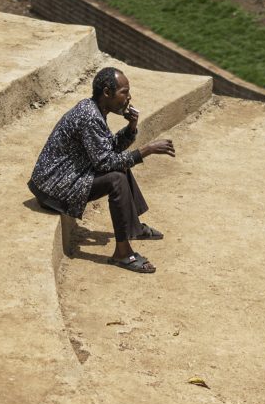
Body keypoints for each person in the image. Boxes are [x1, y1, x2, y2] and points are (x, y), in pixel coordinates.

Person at [28, 67, 175, 273]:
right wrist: (147, 150)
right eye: (124, 92)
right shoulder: (90, 116)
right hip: (53, 188)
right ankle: (123, 254)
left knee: (121, 165)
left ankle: (134, 227)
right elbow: (105, 163)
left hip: (62, 179)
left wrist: (131, 128)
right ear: (107, 92)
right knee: (116, 177)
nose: (129, 97)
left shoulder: (95, 109)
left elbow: (107, 150)